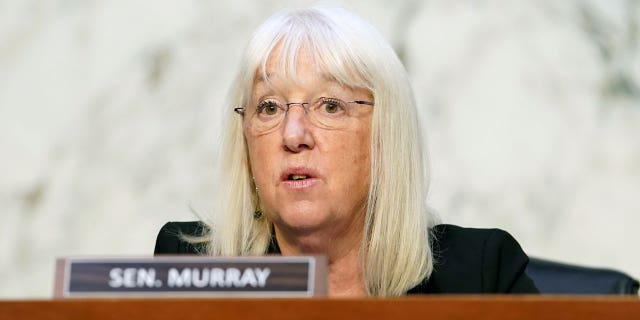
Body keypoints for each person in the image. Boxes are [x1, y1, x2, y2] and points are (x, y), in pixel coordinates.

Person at [154, 6, 538, 297]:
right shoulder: (192, 269)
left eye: (330, 105)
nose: (293, 135)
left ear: (386, 135)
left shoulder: (481, 275)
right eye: (269, 107)